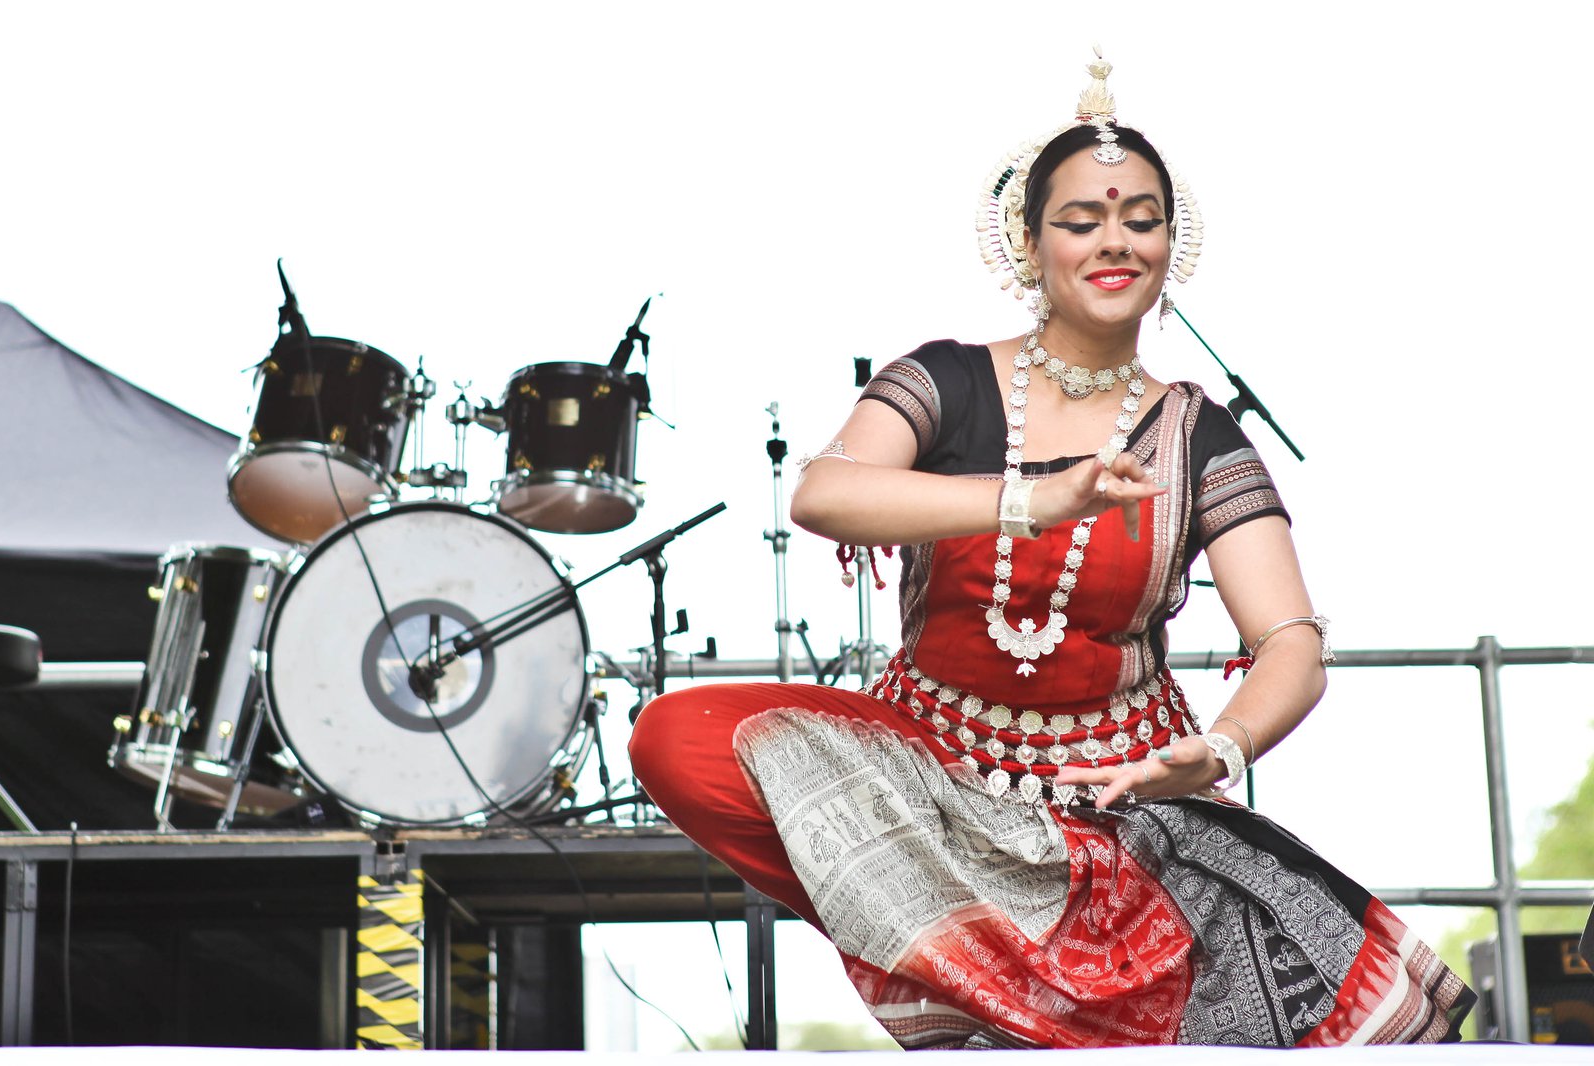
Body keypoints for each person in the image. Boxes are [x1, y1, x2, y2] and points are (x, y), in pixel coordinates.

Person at [629, 52, 1474, 1048]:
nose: (1113, 240)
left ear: (1170, 244)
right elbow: (824, 492)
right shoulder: (942, 380)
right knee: (676, 739)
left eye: (1140, 219)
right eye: (1080, 220)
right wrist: (1036, 497)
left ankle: (1047, 1000)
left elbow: (1290, 637)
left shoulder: (1200, 437)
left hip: (1115, 802)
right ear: (1030, 244)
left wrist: (1219, 747)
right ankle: (970, 954)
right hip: (934, 786)